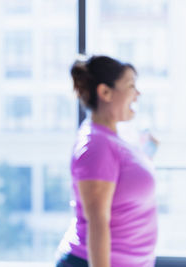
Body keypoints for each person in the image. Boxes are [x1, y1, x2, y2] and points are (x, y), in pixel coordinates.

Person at [56, 56, 157, 267]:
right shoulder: (96, 145)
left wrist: (149, 152)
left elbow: (126, 182)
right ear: (105, 92)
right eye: (130, 86)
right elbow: (98, 223)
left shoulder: (112, 138)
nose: (137, 94)